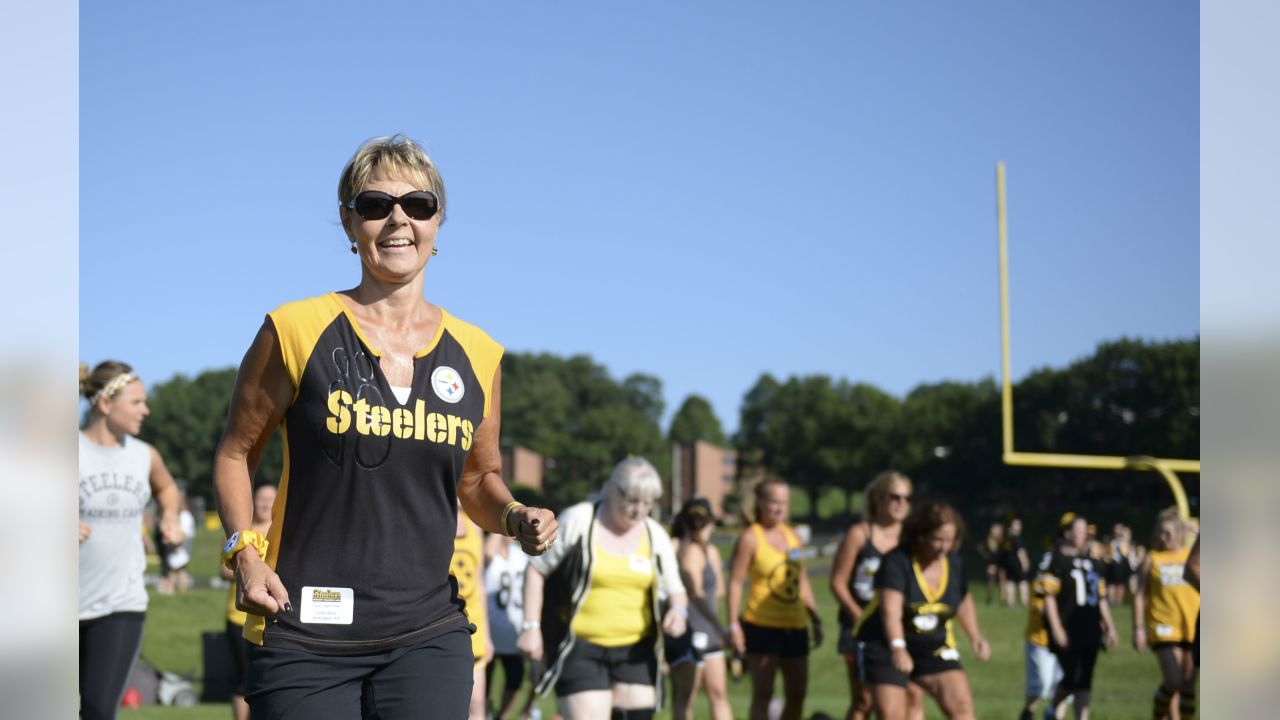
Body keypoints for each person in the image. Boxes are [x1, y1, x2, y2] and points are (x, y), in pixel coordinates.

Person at [212, 134, 559, 720]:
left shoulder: (479, 354)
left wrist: (513, 516)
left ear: (437, 222)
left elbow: (478, 481)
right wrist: (243, 551)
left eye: (417, 205)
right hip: (305, 628)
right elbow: (234, 454)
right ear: (350, 223)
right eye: (375, 205)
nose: (398, 219)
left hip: (428, 630)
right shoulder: (295, 328)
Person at [518, 456, 688, 720]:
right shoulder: (579, 520)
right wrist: (530, 628)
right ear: (612, 489)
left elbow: (676, 589)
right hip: (580, 648)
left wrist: (678, 611)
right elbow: (536, 570)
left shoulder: (655, 535)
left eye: (647, 503)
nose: (639, 511)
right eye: (632, 501)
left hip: (636, 652)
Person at [79, 360, 186, 720]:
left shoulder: (144, 455)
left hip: (120, 604)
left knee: (97, 708)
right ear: (106, 404)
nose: (146, 409)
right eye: (137, 402)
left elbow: (168, 487)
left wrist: (169, 515)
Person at [853, 500, 990, 720]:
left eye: (949, 540)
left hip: (932, 645)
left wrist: (975, 636)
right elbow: (891, 611)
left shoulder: (953, 563)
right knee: (892, 714)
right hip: (884, 642)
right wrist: (898, 648)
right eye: (937, 539)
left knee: (962, 707)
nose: (944, 547)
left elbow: (963, 599)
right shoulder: (897, 562)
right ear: (921, 536)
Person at [727, 478, 823, 720]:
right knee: (763, 694)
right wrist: (734, 626)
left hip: (795, 625)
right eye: (774, 502)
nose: (780, 508)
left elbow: (800, 580)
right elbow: (735, 583)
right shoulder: (750, 537)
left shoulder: (793, 537)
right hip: (762, 624)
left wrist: (815, 617)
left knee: (797, 694)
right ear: (760, 502)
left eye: (784, 503)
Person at [830, 471, 919, 720]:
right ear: (878, 499)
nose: (902, 503)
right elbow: (837, 582)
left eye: (907, 498)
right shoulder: (860, 534)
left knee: (909, 694)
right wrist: (860, 617)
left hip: (899, 628)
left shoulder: (910, 539)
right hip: (859, 627)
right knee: (864, 700)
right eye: (895, 497)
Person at [1039, 513, 1119, 720]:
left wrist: (1110, 626)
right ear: (1068, 533)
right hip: (1068, 626)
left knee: (1085, 678)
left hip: (1090, 626)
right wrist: (1056, 628)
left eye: (1085, 530)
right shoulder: (1057, 560)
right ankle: (1053, 707)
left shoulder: (1094, 562)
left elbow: (1100, 597)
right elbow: (1048, 596)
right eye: (1078, 529)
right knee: (1071, 676)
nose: (1083, 534)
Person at [666, 497, 733, 720]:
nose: (701, 528)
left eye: (704, 522)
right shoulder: (675, 547)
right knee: (686, 696)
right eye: (697, 522)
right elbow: (695, 593)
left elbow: (719, 589)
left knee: (718, 693)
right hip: (687, 632)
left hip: (710, 632)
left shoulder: (710, 551)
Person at [1133, 508, 1200, 720]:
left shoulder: (1191, 556)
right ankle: (1160, 713)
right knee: (1173, 679)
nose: (1164, 538)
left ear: (1180, 533)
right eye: (1161, 533)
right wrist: (1138, 628)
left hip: (1190, 623)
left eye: (1169, 533)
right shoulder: (1153, 558)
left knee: (1188, 683)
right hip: (1164, 626)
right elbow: (1139, 595)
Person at [221, 483, 277, 720]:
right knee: (242, 677)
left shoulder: (279, 530)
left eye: (269, 499)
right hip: (239, 615)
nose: (265, 504)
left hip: (272, 617)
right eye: (261, 499)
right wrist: (249, 569)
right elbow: (223, 570)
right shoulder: (243, 530)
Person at [485, 528, 530, 720]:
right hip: (488, 631)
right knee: (483, 682)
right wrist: (500, 526)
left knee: (516, 679)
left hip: (512, 632)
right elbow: (488, 553)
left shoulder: (519, 556)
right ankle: (484, 712)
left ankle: (501, 716)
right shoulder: (489, 553)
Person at [453, 506, 494, 720]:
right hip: (443, 624)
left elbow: (480, 584)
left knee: (477, 704)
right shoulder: (433, 515)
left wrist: (486, 636)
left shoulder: (474, 524)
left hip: (474, 626)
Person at [1020, 546, 1064, 720]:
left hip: (1063, 642)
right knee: (1042, 685)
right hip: (1041, 641)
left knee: (1063, 686)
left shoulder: (1068, 580)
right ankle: (1028, 711)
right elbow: (1041, 609)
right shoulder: (1041, 583)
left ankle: (1055, 716)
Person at [1001, 518, 1031, 607]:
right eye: (1017, 524)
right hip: (1017, 564)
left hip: (1008, 564)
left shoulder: (1007, 539)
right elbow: (1021, 552)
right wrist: (1025, 562)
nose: (1019, 526)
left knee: (1010, 582)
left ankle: (1011, 603)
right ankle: (1025, 601)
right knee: (1023, 581)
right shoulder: (1017, 538)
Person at [978, 522, 1004, 606]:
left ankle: (1003, 599)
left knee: (1002, 580)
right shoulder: (989, 540)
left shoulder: (1002, 540)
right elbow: (980, 548)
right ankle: (989, 598)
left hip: (1001, 562)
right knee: (991, 580)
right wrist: (986, 556)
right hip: (992, 563)